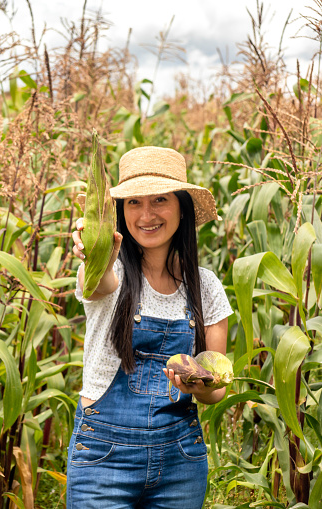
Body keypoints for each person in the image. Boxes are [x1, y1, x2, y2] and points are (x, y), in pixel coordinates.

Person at [67, 146, 233, 509]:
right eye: (133, 203)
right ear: (119, 213)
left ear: (182, 207)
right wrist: (94, 251)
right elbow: (98, 282)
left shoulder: (206, 289)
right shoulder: (111, 273)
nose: (146, 215)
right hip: (103, 457)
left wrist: (199, 384)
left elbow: (216, 389)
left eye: (160, 199)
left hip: (181, 459)